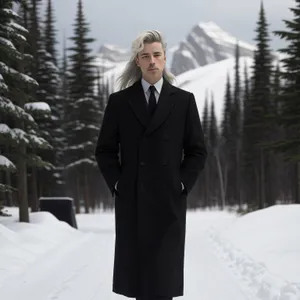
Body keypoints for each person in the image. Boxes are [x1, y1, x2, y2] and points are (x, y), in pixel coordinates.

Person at [95, 30, 207, 300]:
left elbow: (197, 151)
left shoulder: (183, 101)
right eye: (145, 56)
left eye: (156, 55)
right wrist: (119, 183)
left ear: (165, 58)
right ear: (138, 61)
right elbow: (105, 150)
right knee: (139, 280)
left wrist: (181, 183)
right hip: (133, 200)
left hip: (169, 199)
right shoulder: (120, 102)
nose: (152, 61)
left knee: (163, 279)